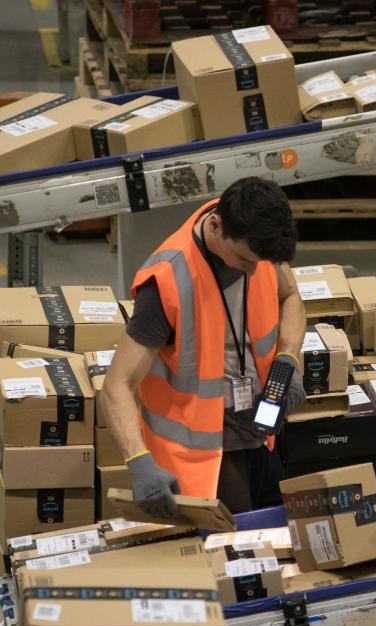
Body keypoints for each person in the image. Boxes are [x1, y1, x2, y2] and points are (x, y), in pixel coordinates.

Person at [102, 177, 307, 520]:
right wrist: (138, 461)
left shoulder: (257, 242)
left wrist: (288, 361)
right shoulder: (168, 281)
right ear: (215, 226)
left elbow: (291, 297)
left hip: (260, 431)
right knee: (239, 552)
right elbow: (116, 385)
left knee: (278, 541)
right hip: (205, 457)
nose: (255, 270)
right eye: (244, 260)